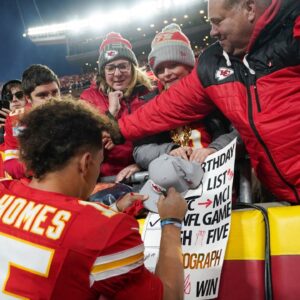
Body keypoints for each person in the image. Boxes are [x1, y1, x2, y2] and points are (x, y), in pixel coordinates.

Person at [108, 0, 300, 203]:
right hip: (284, 194)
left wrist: (216, 149)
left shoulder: (293, 31)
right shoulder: (214, 62)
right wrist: (115, 129)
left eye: (217, 21)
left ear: (250, 9)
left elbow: (240, 132)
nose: (213, 32)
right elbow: (165, 108)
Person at [0, 99, 187, 299]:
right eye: (100, 161)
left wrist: (113, 208)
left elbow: (46, 226)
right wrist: (171, 223)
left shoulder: (4, 189)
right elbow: (169, 297)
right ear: (86, 162)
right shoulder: (110, 232)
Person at [133, 23, 230, 170]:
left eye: (172, 65)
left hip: (221, 177)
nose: (166, 73)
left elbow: (241, 129)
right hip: (176, 185)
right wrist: (169, 150)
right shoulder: (150, 102)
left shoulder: (215, 89)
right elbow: (140, 150)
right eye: (159, 69)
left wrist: (215, 149)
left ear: (189, 65)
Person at [80, 32, 153, 182]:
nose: (117, 73)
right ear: (103, 71)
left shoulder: (148, 92)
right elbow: (84, 145)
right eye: (111, 68)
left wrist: (140, 163)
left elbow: (160, 134)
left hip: (148, 171)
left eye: (122, 66)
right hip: (106, 180)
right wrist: (111, 113)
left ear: (132, 67)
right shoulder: (88, 98)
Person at [3, 64, 60, 179]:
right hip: (37, 180)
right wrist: (36, 167)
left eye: (55, 92)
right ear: (28, 98)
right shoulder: (16, 120)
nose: (51, 100)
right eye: (42, 95)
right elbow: (11, 161)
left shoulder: (76, 112)